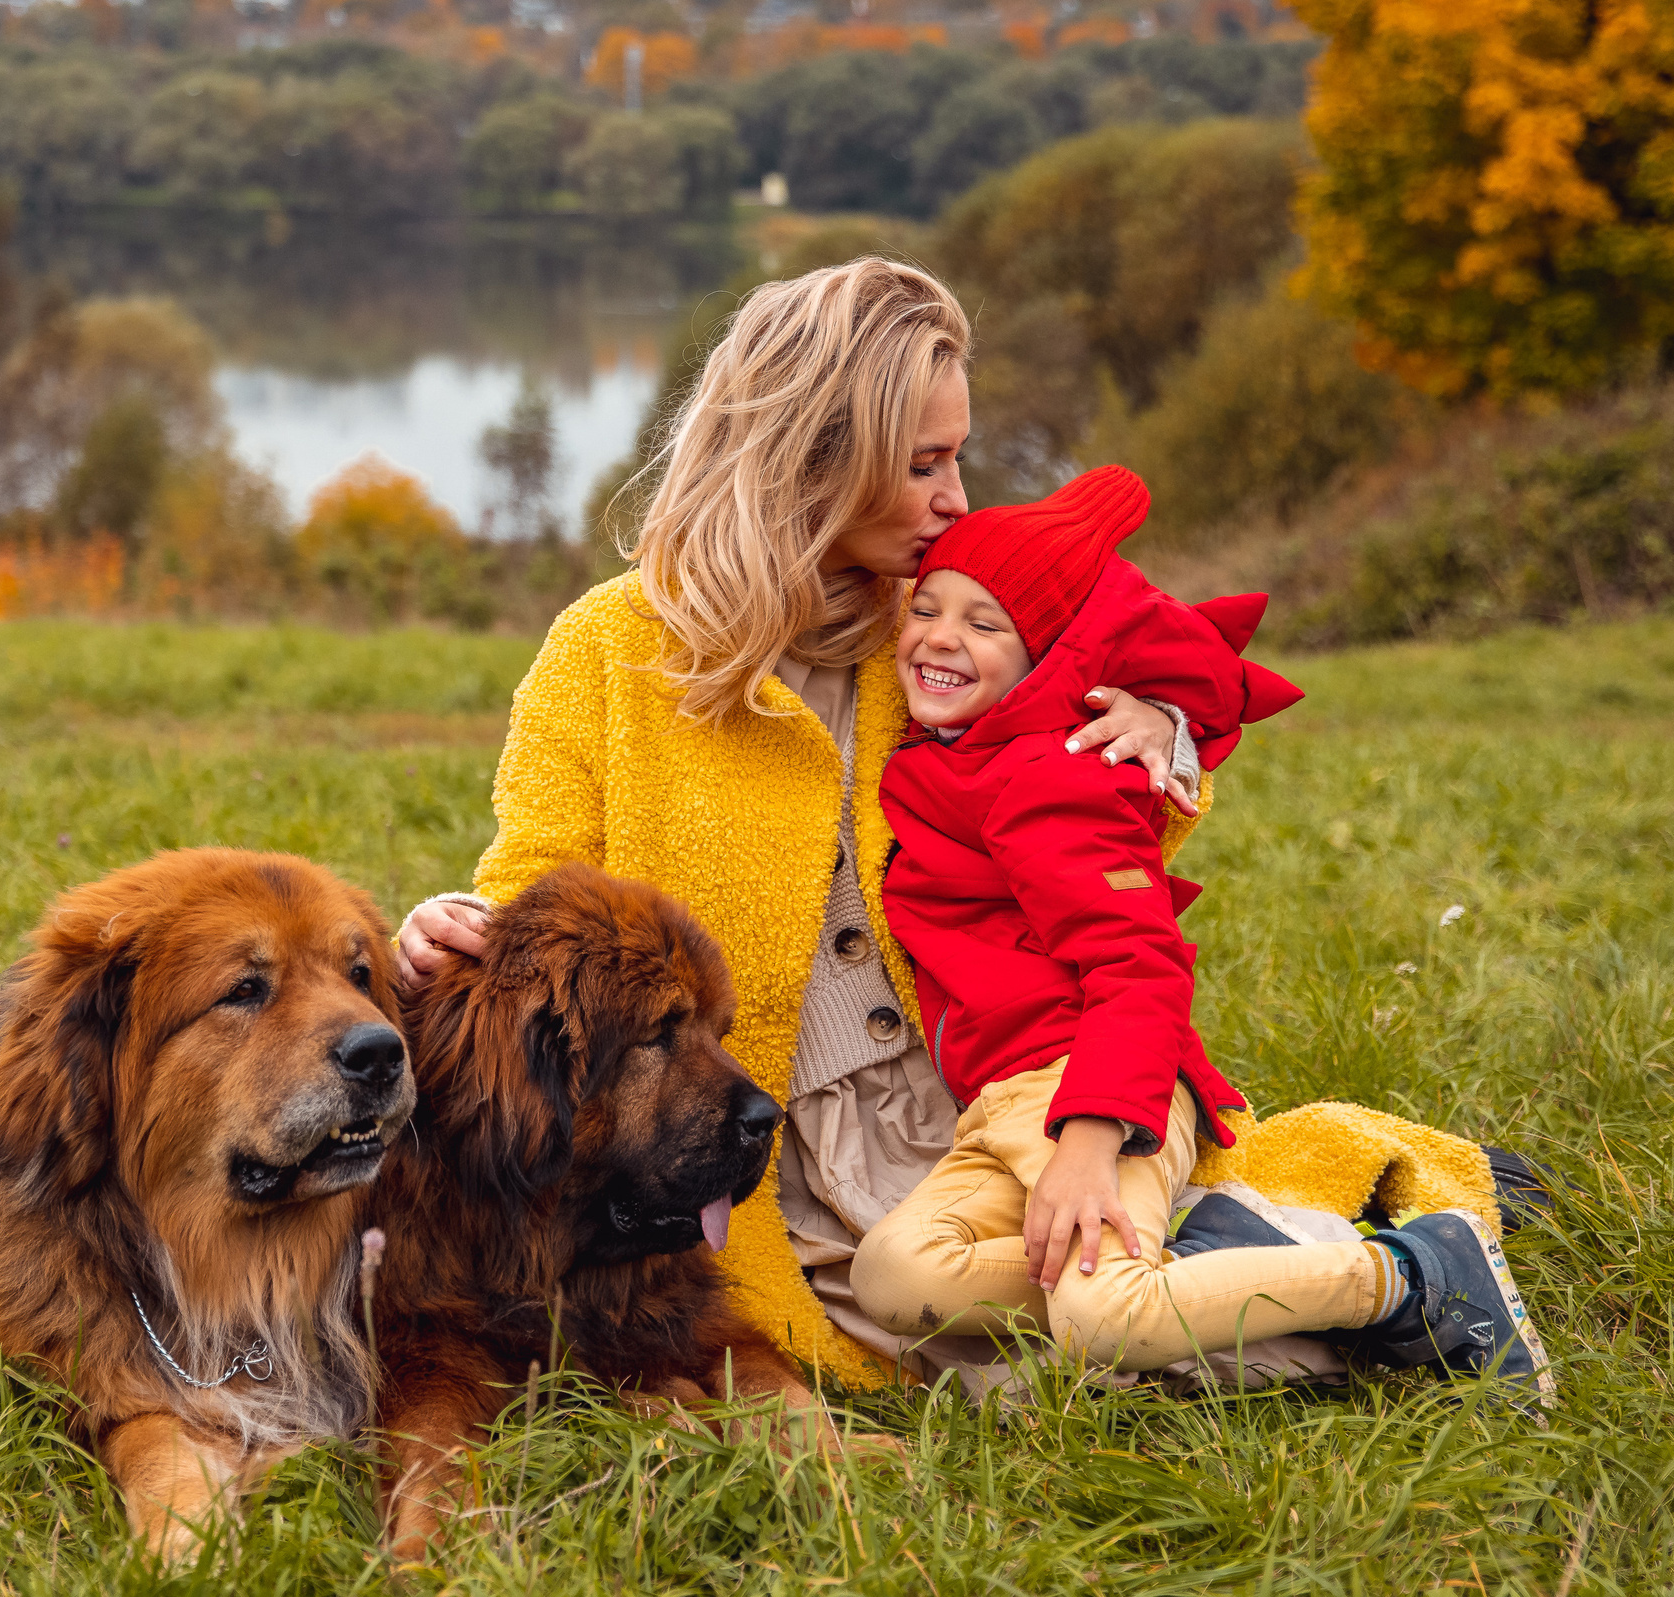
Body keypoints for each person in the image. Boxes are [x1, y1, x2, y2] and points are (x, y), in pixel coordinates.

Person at [393, 259, 1197, 1387]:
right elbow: (538, 888)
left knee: (1078, 1345)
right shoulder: (605, 652)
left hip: (980, 1096)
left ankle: (1344, 1271)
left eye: (956, 457)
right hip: (757, 1153)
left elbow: (1100, 849)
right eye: (923, 465)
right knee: (968, 1354)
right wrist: (456, 925)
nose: (956, 500)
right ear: (815, 458)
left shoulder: (939, 633)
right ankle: (1266, 1269)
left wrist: (1163, 734)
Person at [847, 465, 1550, 1396]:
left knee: (1102, 1320)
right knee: (892, 1278)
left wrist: (1094, 1138)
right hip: (998, 1103)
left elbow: (1141, 969)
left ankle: (1412, 1274)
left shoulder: (1049, 781)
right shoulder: (956, 756)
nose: (939, 637)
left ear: (1048, 658)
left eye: (985, 625)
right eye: (926, 608)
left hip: (1096, 1087)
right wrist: (1171, 718)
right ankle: (1209, 1254)